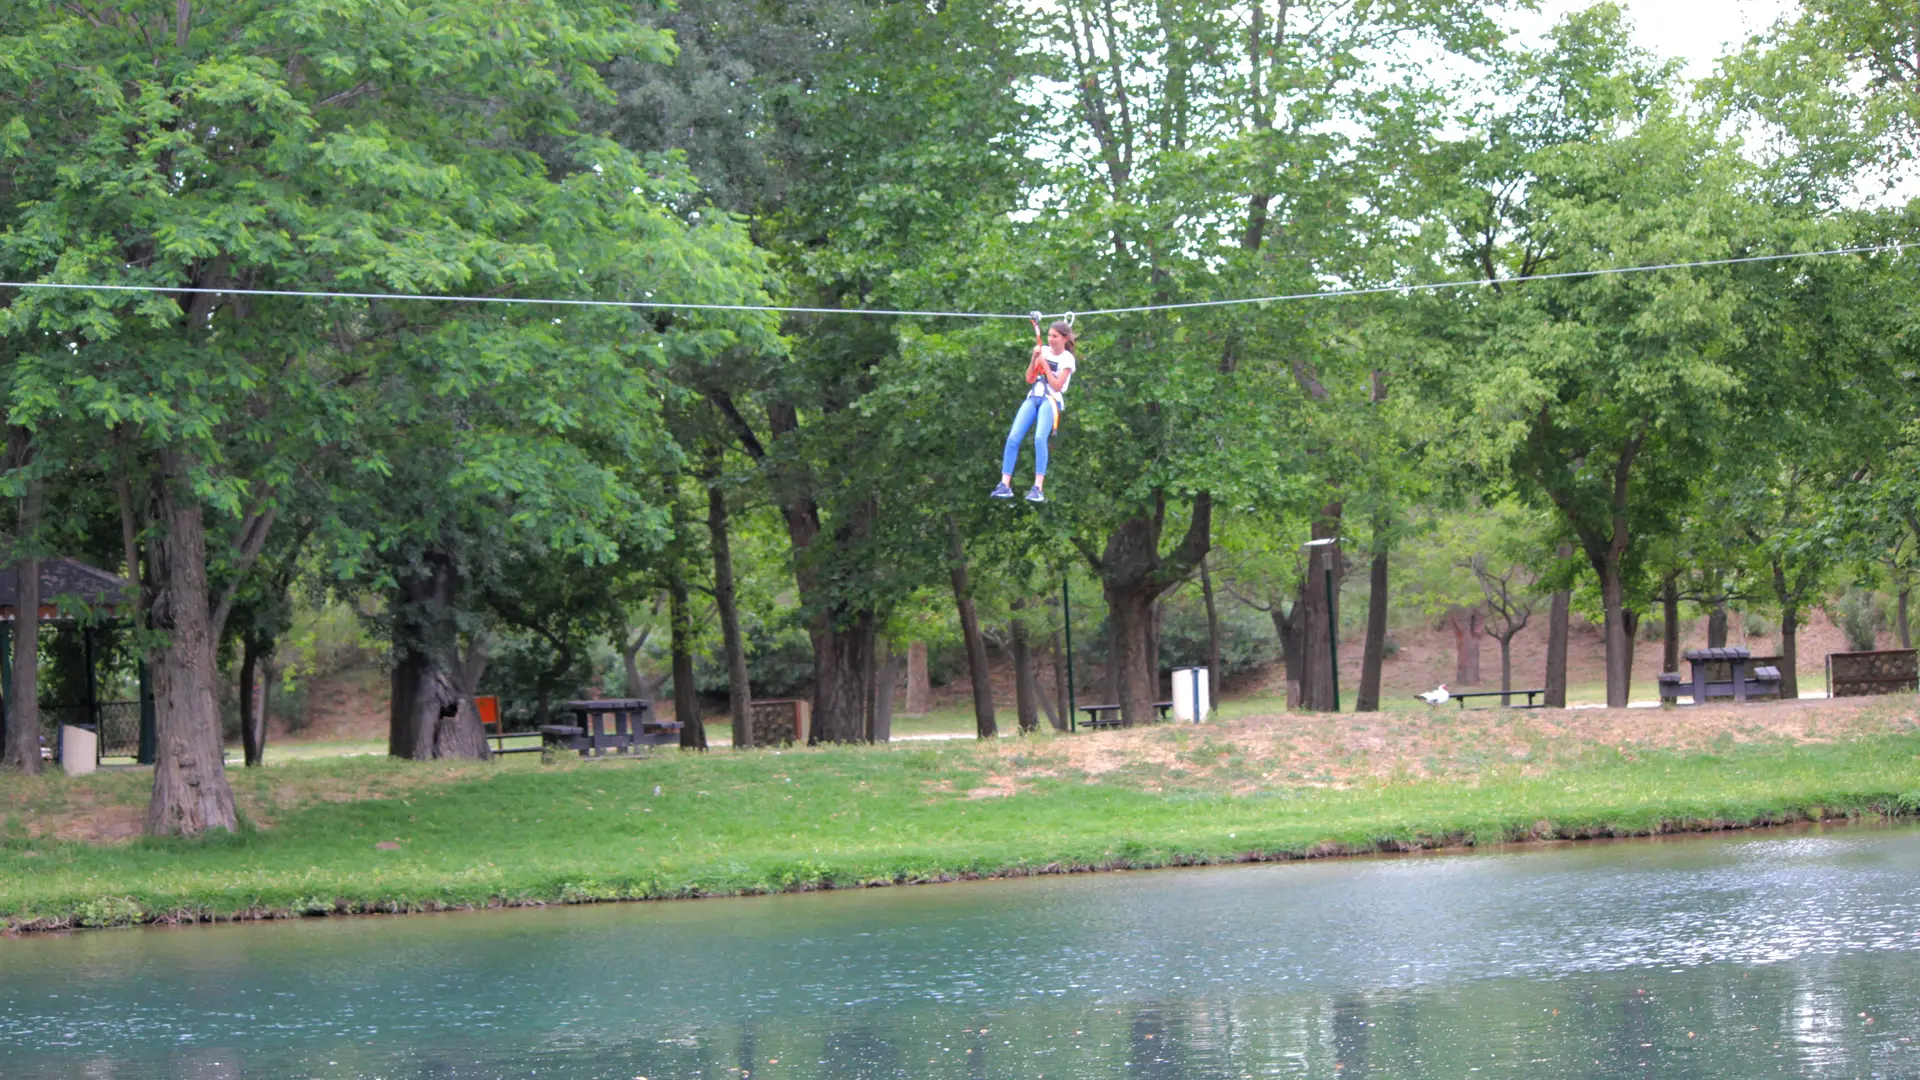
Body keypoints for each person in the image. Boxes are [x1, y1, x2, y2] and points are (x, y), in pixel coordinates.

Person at [991, 319, 1077, 502]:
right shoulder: (1043, 350)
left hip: (1051, 399)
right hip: (1034, 396)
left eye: (1054, 336)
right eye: (1049, 336)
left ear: (1064, 338)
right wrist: (1034, 358)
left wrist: (1045, 364)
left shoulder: (1067, 359)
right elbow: (1030, 378)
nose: (1051, 340)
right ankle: (1004, 484)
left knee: (1039, 438)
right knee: (1013, 437)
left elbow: (1058, 385)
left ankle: (1038, 487)